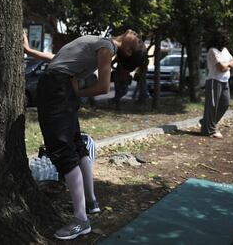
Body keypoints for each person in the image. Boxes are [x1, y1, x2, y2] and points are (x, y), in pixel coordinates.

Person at [23, 29, 146, 240]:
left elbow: (104, 86)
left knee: (62, 150)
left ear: (127, 49)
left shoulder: (107, 48)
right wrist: (28, 50)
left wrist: (77, 92)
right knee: (76, 146)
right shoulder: (104, 44)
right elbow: (58, 59)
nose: (136, 32)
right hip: (58, 85)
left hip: (57, 89)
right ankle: (91, 203)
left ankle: (81, 220)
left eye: (138, 40)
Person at [200, 29, 233, 138]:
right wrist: (228, 65)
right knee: (212, 106)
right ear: (219, 39)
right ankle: (210, 130)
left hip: (225, 82)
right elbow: (221, 68)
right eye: (225, 38)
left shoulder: (225, 50)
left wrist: (227, 64)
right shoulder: (212, 51)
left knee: (225, 104)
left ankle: (206, 122)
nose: (227, 39)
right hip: (214, 81)